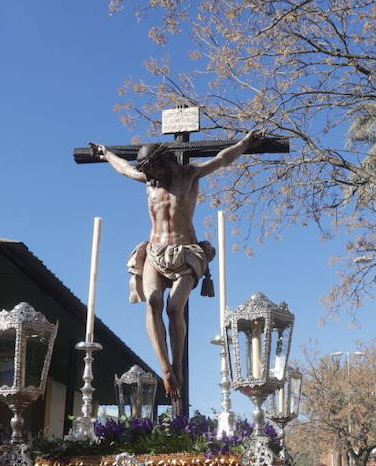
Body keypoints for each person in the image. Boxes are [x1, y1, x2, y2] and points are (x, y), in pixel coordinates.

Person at [89, 130, 264, 410]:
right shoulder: (149, 181)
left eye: (154, 169)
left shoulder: (190, 175)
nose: (151, 175)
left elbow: (222, 158)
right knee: (153, 303)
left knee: (173, 308)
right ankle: (166, 369)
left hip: (185, 254)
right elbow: (124, 169)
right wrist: (107, 153)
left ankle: (178, 366)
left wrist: (245, 143)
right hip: (155, 253)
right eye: (147, 171)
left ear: (166, 160)